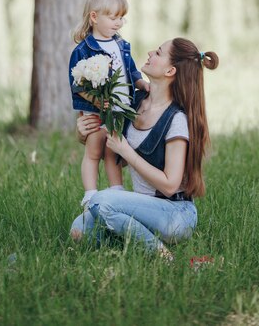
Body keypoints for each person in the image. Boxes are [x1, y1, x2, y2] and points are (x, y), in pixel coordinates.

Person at [70, 37, 219, 259]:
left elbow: (170, 185)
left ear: (170, 71)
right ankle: (132, 237)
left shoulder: (176, 119)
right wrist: (83, 133)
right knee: (78, 230)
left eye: (158, 53)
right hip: (143, 209)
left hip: (175, 214)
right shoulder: (135, 102)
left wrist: (127, 152)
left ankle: (161, 255)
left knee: (100, 201)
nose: (150, 53)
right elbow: (107, 145)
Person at [69, 0, 150, 209]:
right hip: (95, 111)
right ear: (94, 17)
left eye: (121, 18)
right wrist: (96, 102)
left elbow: (131, 69)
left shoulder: (121, 44)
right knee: (94, 151)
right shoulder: (84, 50)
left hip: (119, 108)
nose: (118, 23)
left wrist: (140, 82)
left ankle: (117, 190)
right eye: (113, 17)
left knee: (113, 151)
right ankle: (90, 193)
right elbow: (77, 84)